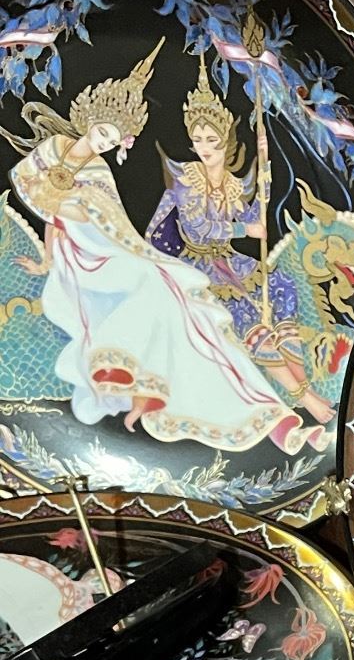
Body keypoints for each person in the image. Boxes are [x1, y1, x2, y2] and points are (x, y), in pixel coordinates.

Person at [5, 43, 324, 455]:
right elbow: (42, 201)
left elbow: (114, 226)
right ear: (87, 120)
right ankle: (123, 368)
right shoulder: (54, 151)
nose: (103, 143)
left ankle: (277, 416)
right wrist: (49, 255)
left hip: (111, 252)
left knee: (197, 303)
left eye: (112, 139)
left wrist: (256, 203)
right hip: (82, 256)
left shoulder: (101, 171)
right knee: (168, 288)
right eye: (102, 133)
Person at [147, 58, 333, 425]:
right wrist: (242, 232)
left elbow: (250, 220)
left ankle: (302, 387)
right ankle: (306, 398)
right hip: (195, 265)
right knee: (248, 315)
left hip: (230, 260)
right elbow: (198, 229)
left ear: (225, 139)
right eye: (198, 139)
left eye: (211, 139)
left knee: (280, 286)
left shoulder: (234, 183)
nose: (204, 147)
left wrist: (264, 178)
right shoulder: (187, 178)